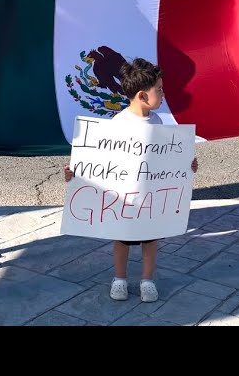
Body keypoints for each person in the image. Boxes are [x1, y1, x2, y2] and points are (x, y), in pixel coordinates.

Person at [63, 58, 198, 302]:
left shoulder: (158, 122)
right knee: (122, 238)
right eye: (159, 89)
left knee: (151, 239)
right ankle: (120, 279)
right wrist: (76, 173)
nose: (163, 93)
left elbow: (164, 160)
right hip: (123, 200)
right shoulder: (118, 124)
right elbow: (100, 162)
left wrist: (185, 166)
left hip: (150, 200)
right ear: (142, 96)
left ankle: (147, 280)